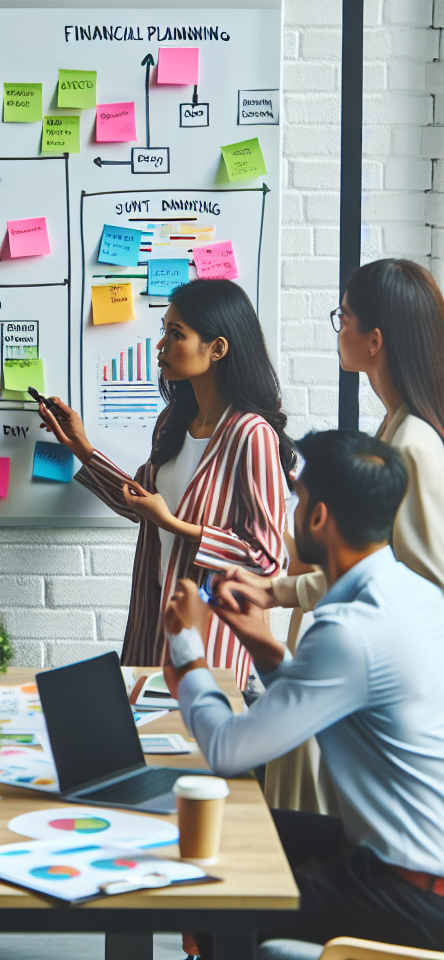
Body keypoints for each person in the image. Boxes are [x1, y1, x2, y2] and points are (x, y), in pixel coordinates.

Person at [163, 429, 444, 949]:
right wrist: (265, 649)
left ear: (318, 518)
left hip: (413, 892)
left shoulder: (348, 630)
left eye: (299, 497)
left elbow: (227, 750)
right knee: (230, 825)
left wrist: (187, 650)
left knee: (227, 897)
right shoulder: (414, 594)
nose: (290, 512)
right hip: (404, 855)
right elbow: (337, 699)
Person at [39, 279, 292, 689]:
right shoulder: (172, 421)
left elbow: (266, 558)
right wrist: (81, 447)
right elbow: (137, 502)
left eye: (175, 334)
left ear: (217, 348)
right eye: (164, 331)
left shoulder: (251, 435)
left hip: (212, 637)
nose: (160, 346)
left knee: (192, 750)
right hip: (153, 619)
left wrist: (176, 526)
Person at [264, 258, 444, 815]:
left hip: (359, 693)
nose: (337, 326)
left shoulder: (413, 444)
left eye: (344, 314)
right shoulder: (394, 427)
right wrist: (282, 590)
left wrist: (291, 590)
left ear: (375, 340)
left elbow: (418, 587)